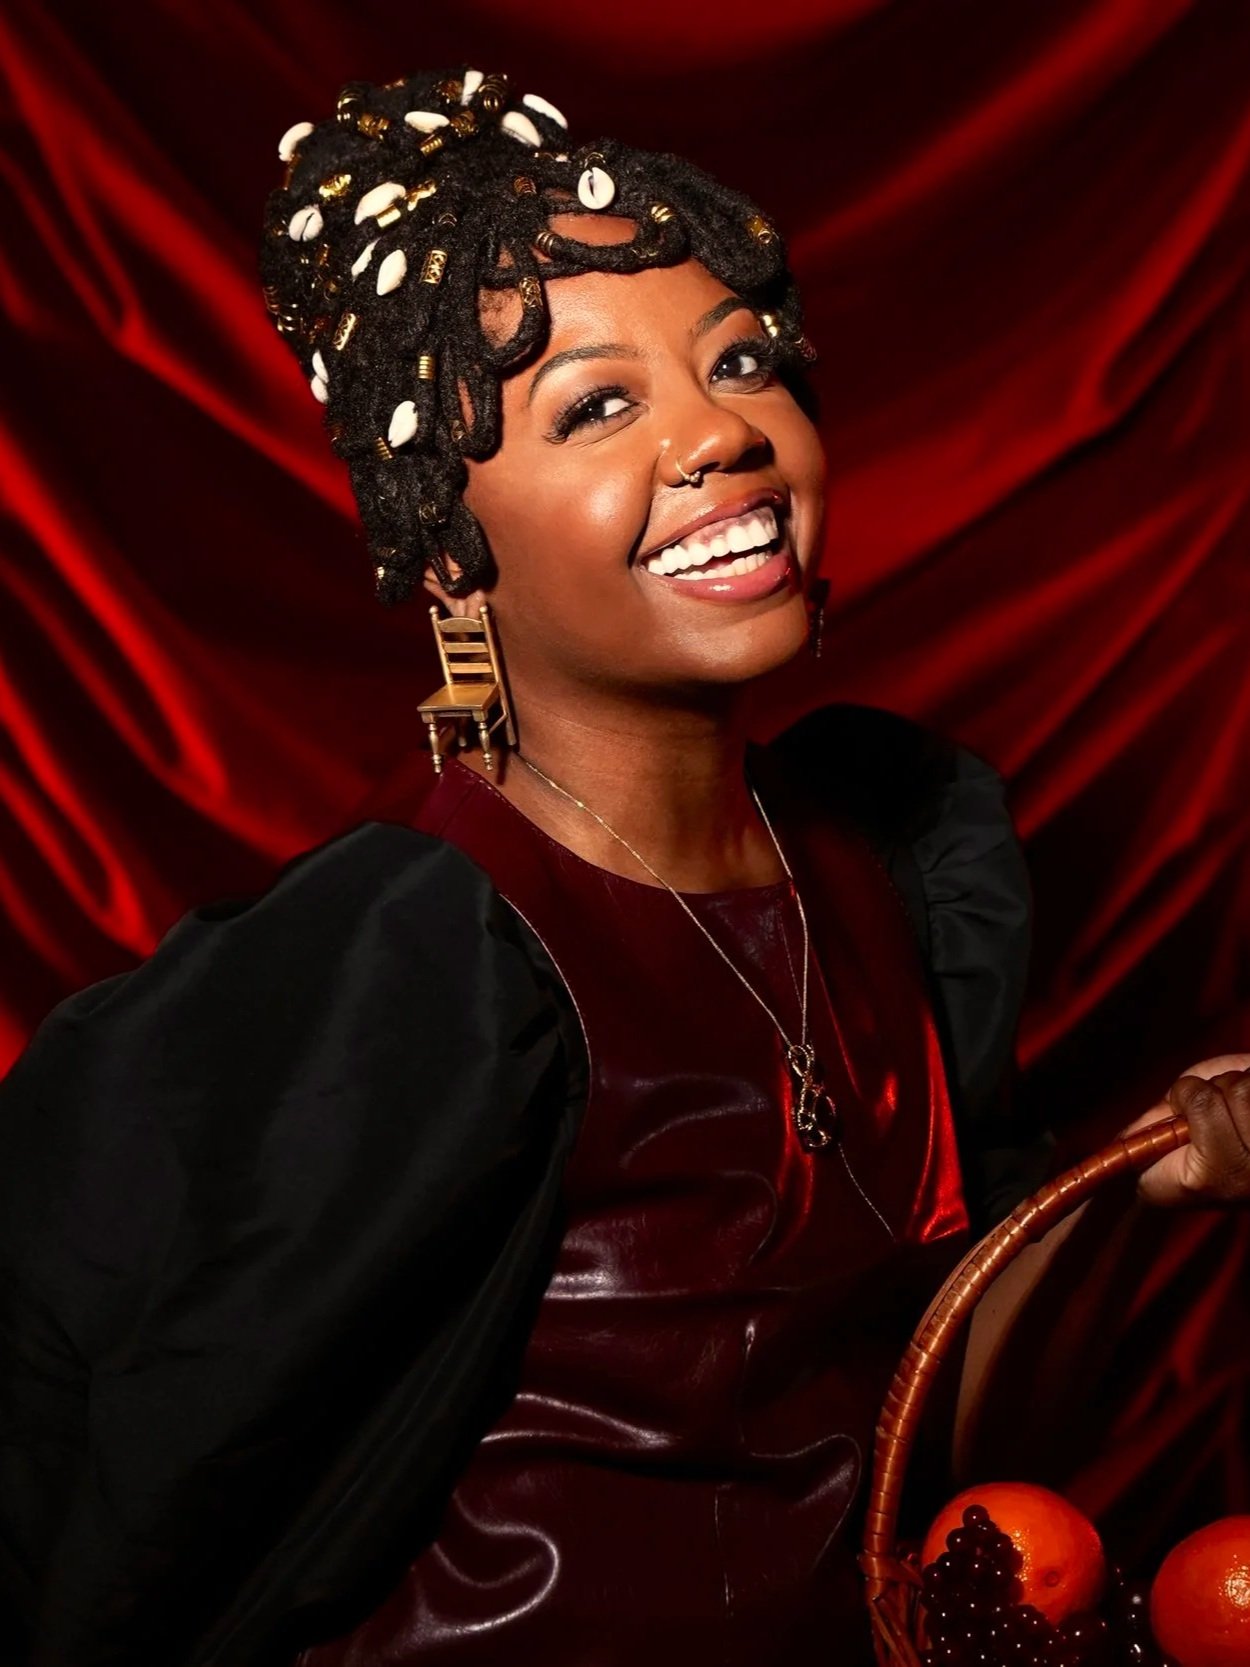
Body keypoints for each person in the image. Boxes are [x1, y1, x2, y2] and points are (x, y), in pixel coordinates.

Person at [1, 64, 1247, 1667]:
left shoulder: (887, 862)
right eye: (598, 406)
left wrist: (1143, 1179)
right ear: (448, 547)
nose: (721, 431)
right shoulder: (420, 954)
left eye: (742, 363)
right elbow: (152, 1478)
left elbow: (921, 1403)